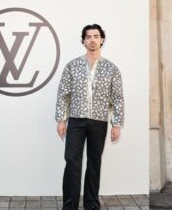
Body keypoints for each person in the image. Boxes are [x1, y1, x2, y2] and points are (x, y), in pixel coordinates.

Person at [55, 24, 124, 210]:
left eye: (96, 36)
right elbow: (63, 94)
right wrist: (61, 119)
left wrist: (116, 124)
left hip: (99, 122)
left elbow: (117, 98)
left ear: (102, 39)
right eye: (88, 37)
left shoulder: (112, 69)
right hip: (76, 120)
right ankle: (69, 206)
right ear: (83, 41)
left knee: (94, 163)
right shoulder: (72, 66)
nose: (92, 40)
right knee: (71, 161)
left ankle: (91, 204)